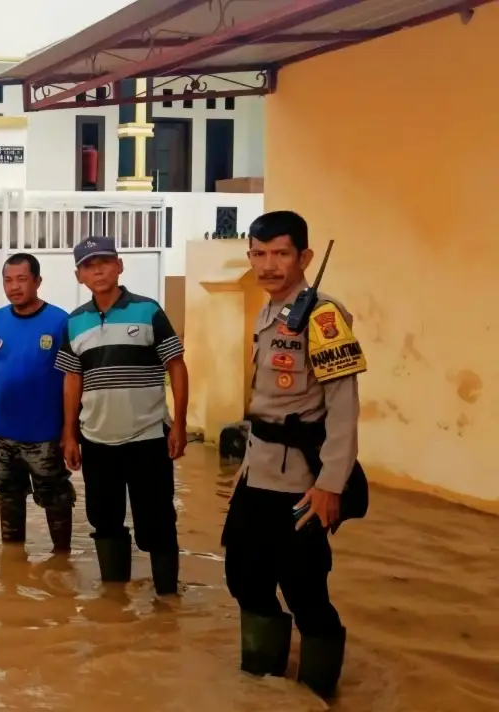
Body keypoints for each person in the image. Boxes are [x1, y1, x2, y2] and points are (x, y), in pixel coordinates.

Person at [221, 211, 366, 700]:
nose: (268, 265)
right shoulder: (269, 311)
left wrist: (331, 485)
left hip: (301, 482)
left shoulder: (323, 315)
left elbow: (343, 409)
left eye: (280, 253)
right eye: (259, 254)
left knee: (306, 591)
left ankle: (318, 692)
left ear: (303, 257)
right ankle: (263, 685)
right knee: (244, 576)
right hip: (257, 472)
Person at [57, 236, 190, 597]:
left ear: (119, 265)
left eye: (103, 261)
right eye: (88, 264)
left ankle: (167, 599)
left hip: (148, 437)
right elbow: (72, 380)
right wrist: (69, 434)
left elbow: (176, 366)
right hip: (97, 441)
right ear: (78, 275)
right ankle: (114, 600)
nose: (97, 269)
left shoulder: (148, 311)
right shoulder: (75, 322)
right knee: (104, 521)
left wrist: (178, 423)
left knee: (158, 522)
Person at [0, 253, 74, 553]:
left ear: (38, 281)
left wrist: (71, 430)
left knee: (55, 496)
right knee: (9, 495)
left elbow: (72, 379)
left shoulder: (60, 321)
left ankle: (61, 559)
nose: (14, 286)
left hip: (45, 435)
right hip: (4, 433)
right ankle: (13, 563)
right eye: (8, 280)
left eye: (21, 279)